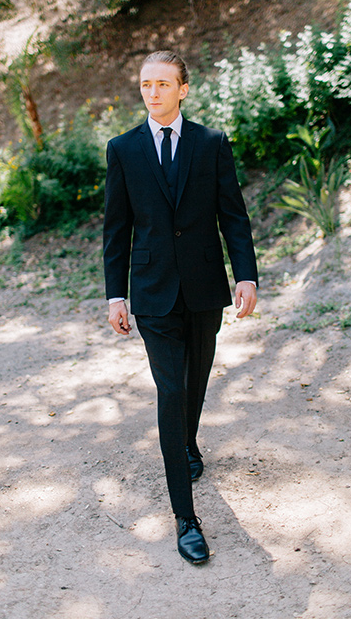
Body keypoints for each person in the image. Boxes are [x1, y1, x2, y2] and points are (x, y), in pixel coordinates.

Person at [103, 50, 258, 564]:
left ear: (183, 89)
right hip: (151, 293)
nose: (152, 92)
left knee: (195, 383)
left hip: (205, 288)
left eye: (163, 83)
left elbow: (233, 215)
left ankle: (188, 443)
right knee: (170, 392)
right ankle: (186, 519)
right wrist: (115, 293)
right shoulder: (122, 149)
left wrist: (247, 275)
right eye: (146, 83)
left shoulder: (210, 143)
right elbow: (116, 228)